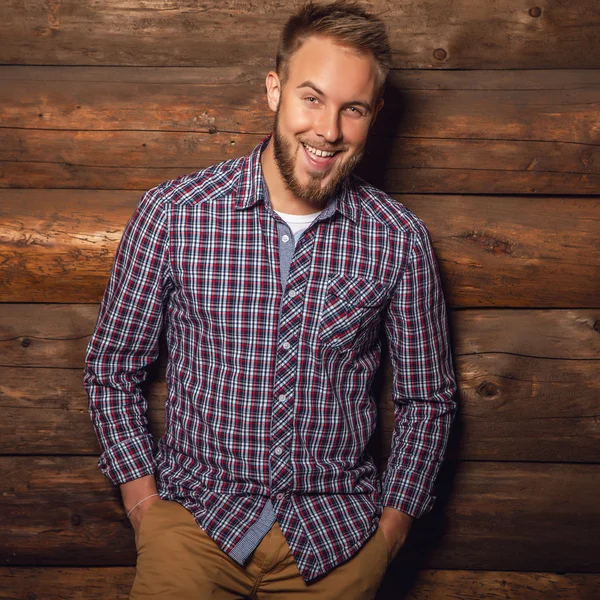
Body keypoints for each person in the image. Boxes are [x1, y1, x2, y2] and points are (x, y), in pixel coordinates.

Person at [84, 1, 457, 598]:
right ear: (274, 89)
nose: (328, 130)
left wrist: (390, 534)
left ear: (374, 115)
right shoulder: (174, 215)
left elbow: (427, 400)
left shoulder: (399, 239)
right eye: (312, 98)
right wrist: (143, 506)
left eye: (352, 109)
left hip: (339, 538)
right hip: (193, 524)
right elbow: (112, 370)